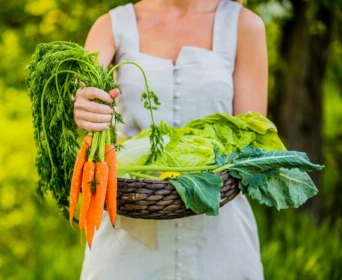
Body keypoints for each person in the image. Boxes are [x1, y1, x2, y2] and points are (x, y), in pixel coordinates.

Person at [74, 0, 267, 279]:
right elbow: (86, 87)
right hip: (126, 236)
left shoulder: (243, 25)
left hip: (219, 235)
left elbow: (252, 136)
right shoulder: (112, 26)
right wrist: (84, 106)